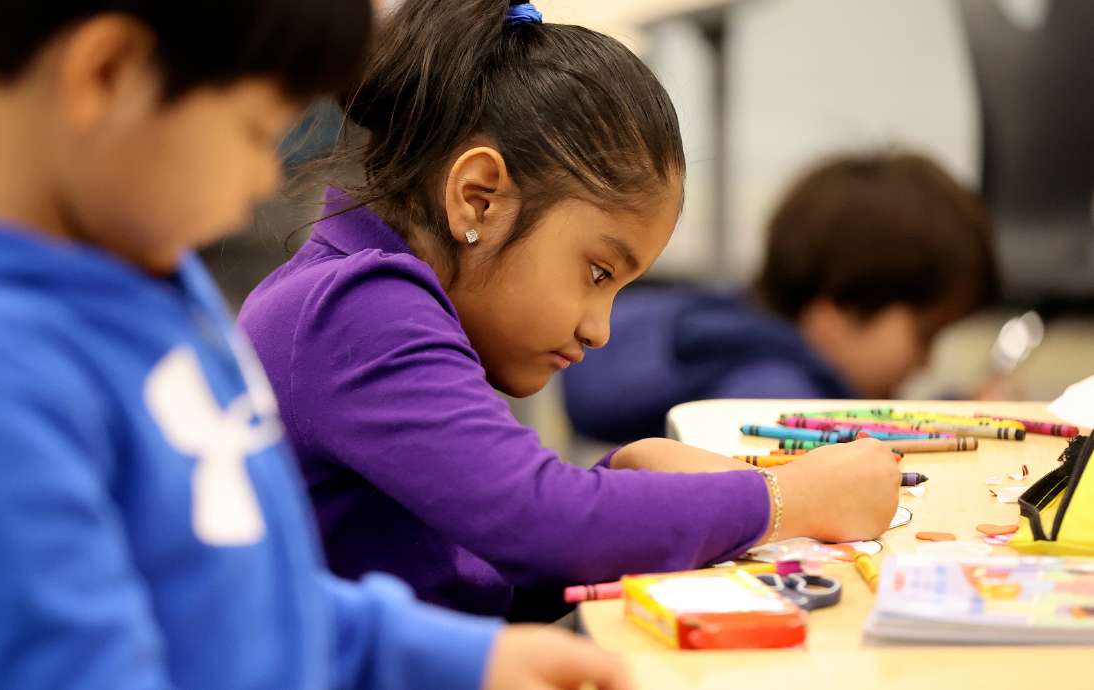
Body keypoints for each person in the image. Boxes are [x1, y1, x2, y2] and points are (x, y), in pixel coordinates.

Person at [0, 2, 631, 689]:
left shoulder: (135, 257)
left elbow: (241, 592)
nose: (266, 179)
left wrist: (461, 660)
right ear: (108, 73)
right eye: (257, 131)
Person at [239, 0, 901, 622]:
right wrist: (787, 501)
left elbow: (485, 573)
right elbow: (544, 526)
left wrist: (622, 478)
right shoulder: (359, 309)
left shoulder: (372, 297)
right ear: (478, 198)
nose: (599, 328)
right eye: (598, 273)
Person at [563, 152, 1001, 444]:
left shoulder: (742, 333)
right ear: (838, 311)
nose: (926, 363)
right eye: (925, 336)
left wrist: (953, 414)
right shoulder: (776, 405)